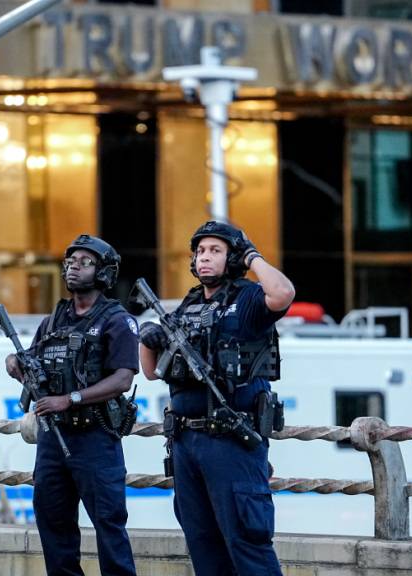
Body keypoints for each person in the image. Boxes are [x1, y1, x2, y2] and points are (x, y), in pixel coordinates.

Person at [139, 220, 295, 576]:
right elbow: (150, 372)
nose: (204, 258)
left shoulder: (248, 298)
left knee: (247, 540)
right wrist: (147, 340)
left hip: (231, 439)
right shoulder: (188, 306)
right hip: (186, 442)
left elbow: (283, 293)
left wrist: (251, 255)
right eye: (200, 251)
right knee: (202, 543)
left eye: (216, 251)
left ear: (233, 258)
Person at [6, 234, 138, 576]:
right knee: (53, 525)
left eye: (84, 262)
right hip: (53, 441)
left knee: (109, 527)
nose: (73, 268)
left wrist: (70, 399)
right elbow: (32, 360)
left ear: (104, 272)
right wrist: (15, 364)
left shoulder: (116, 320)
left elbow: (123, 379)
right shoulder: (53, 321)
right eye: (70, 262)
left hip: (95, 438)